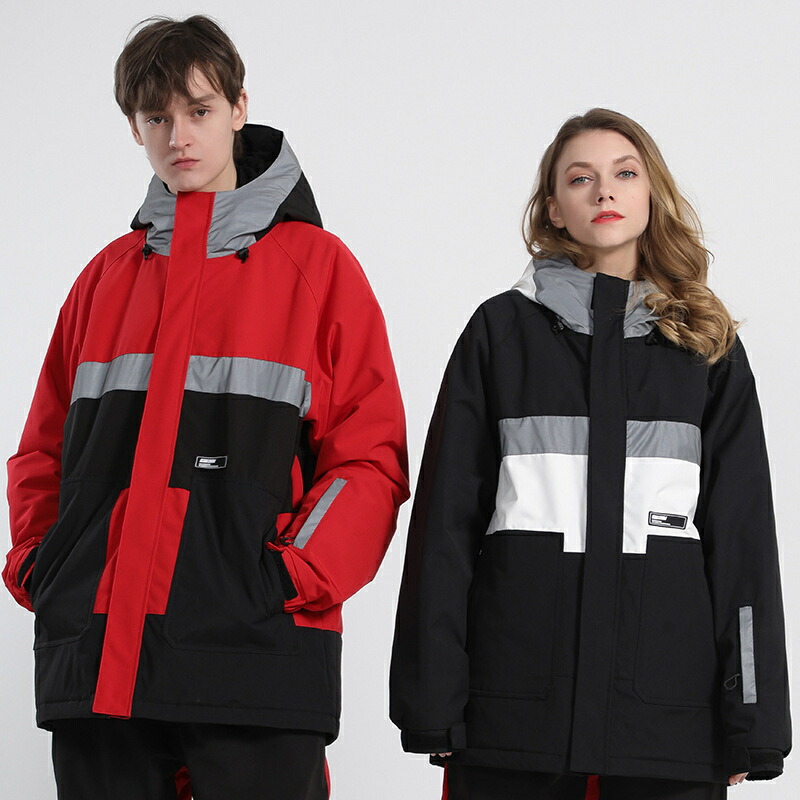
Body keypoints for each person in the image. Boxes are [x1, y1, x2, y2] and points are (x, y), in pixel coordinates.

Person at [3, 15, 409, 800]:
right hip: (97, 660)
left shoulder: (319, 269)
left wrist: (287, 578)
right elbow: (42, 451)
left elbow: (370, 458)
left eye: (199, 110)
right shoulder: (105, 278)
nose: (179, 136)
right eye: (156, 117)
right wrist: (42, 567)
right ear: (134, 128)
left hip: (255, 658)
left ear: (238, 108)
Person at [389, 108, 790, 800]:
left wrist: (753, 721)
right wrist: (433, 700)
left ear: (651, 193)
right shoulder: (500, 333)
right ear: (554, 208)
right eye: (581, 178)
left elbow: (743, 545)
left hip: (668, 726)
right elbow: (444, 529)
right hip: (515, 718)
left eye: (624, 174)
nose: (604, 191)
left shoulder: (706, 347)